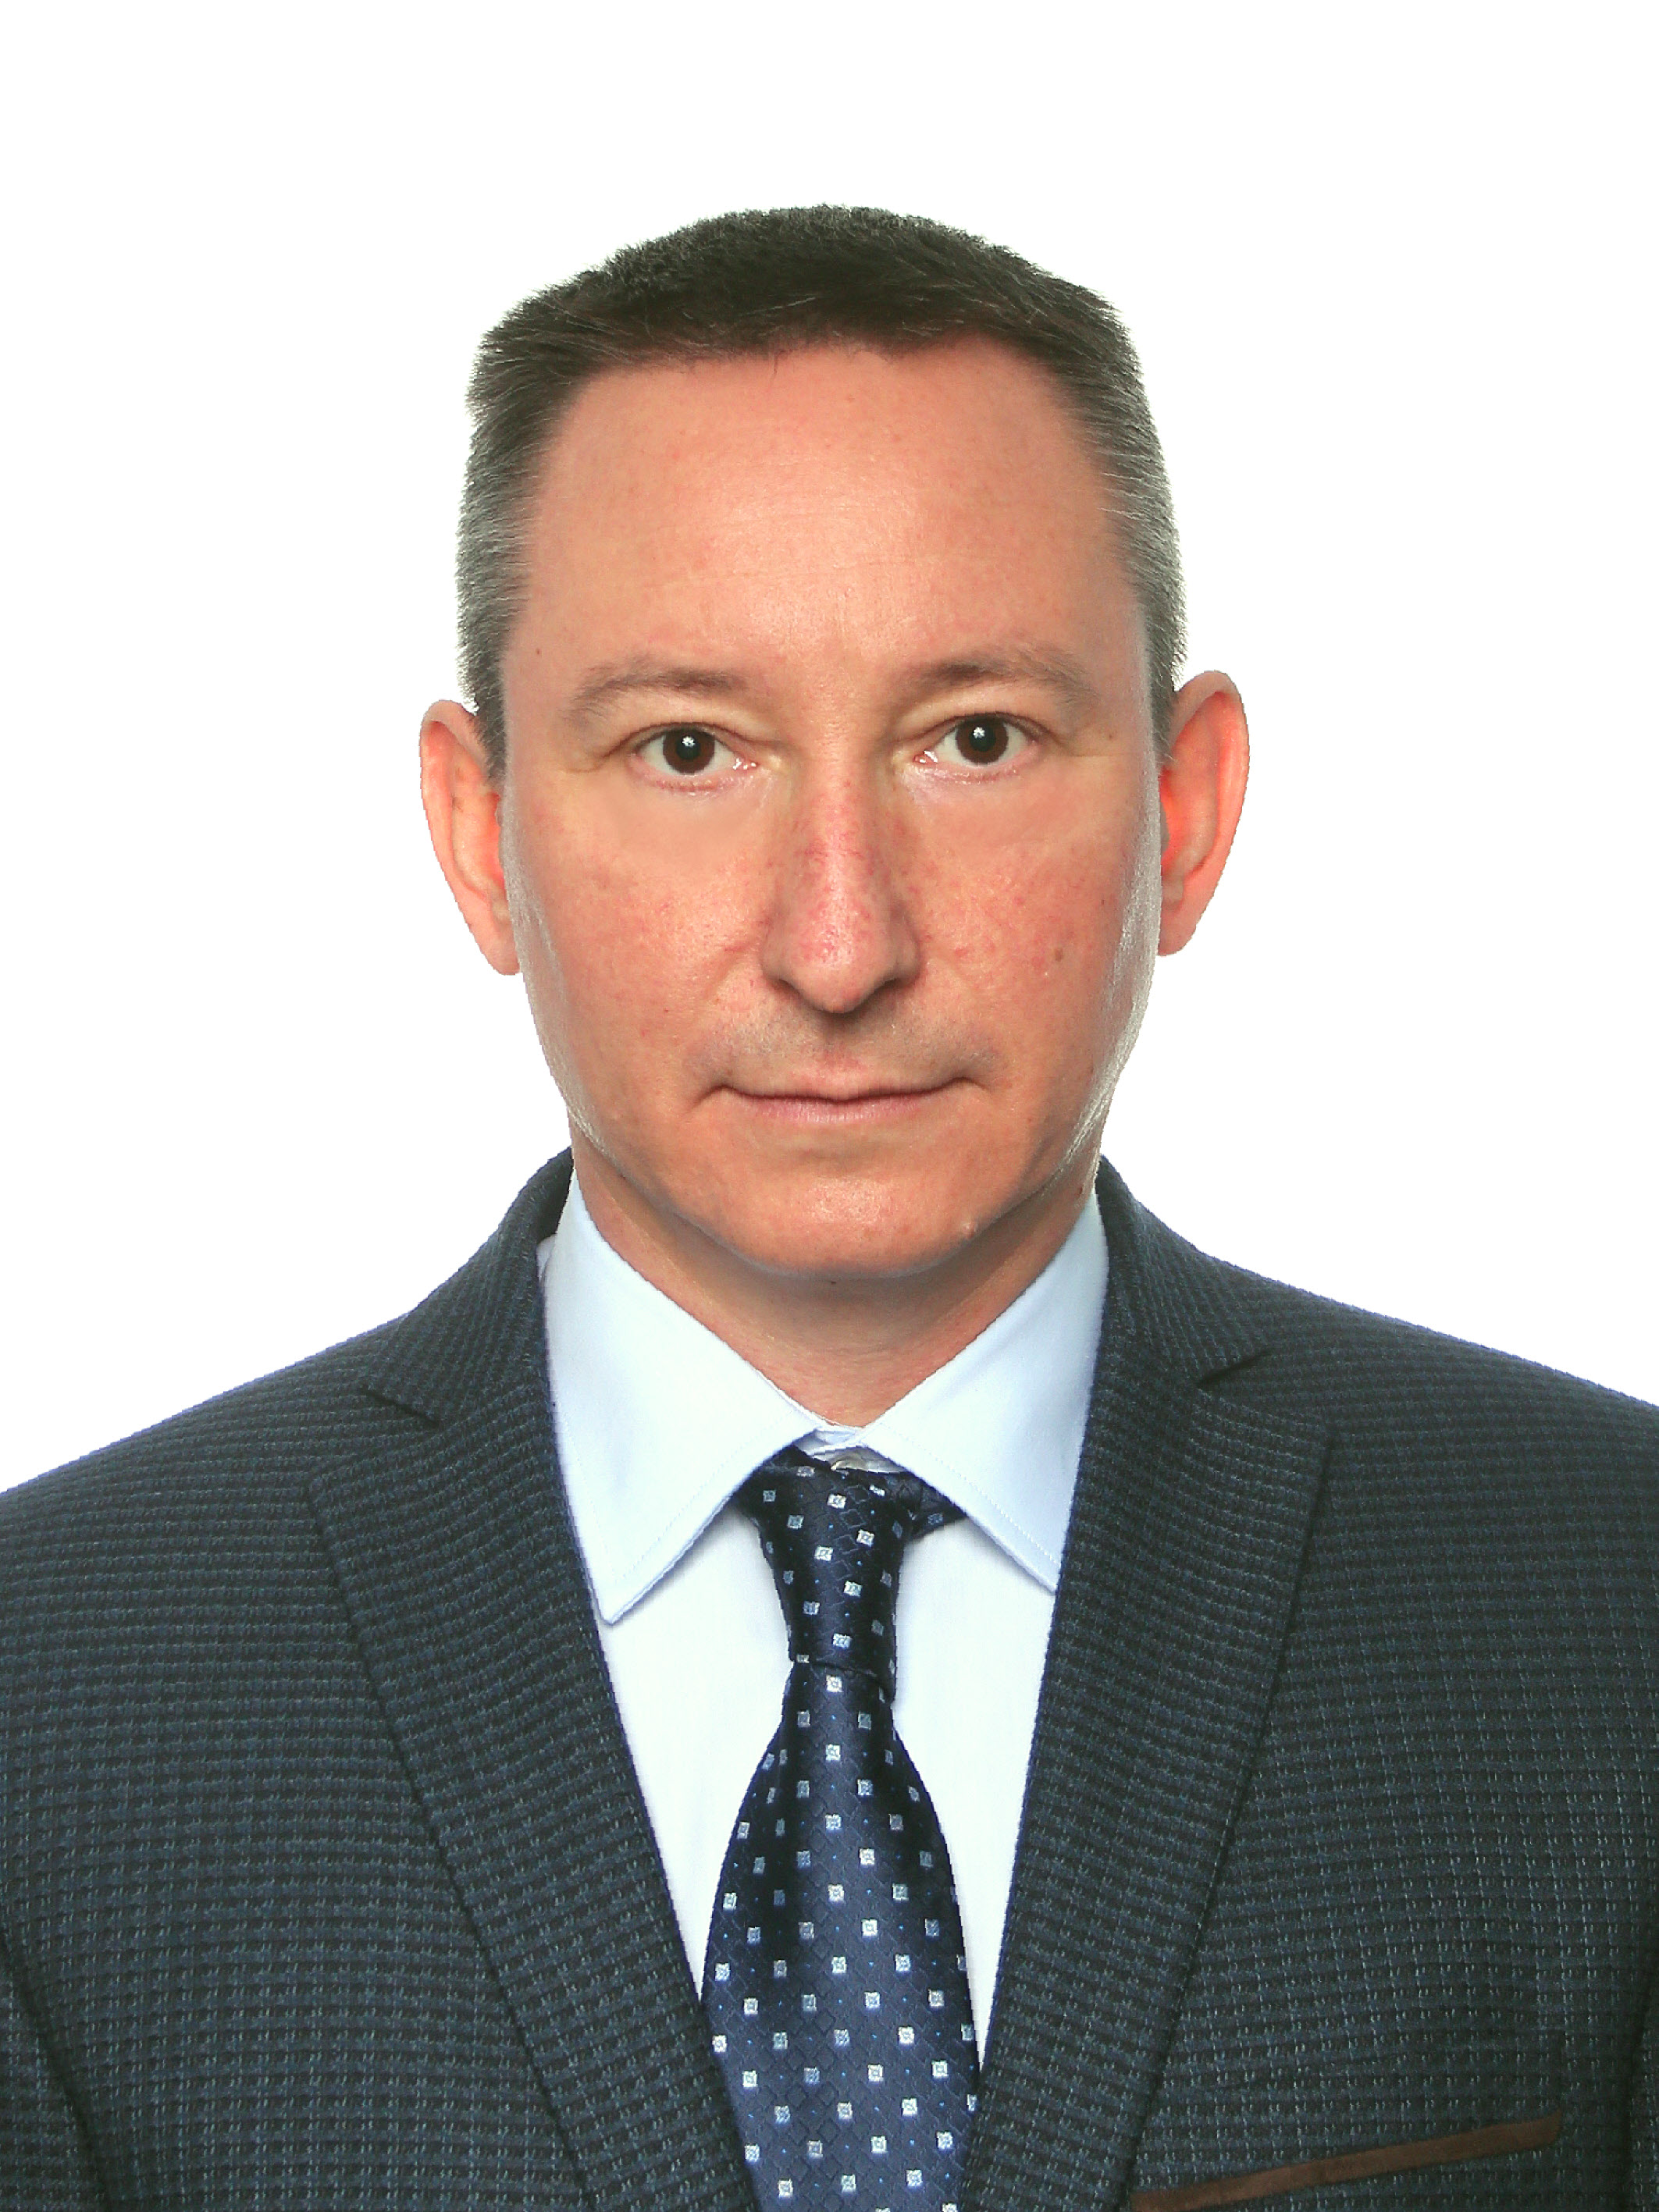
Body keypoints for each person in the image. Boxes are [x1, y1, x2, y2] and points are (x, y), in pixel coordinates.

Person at [1, 207, 1654, 2212]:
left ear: (1184, 808)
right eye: (688, 748)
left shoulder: (1606, 1597)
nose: (840, 940)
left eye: (977, 738)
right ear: (481, 831)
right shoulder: (52, 1686)